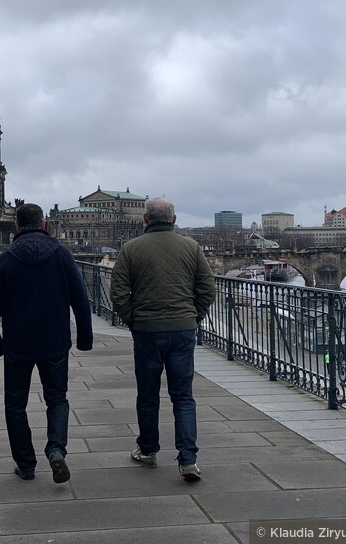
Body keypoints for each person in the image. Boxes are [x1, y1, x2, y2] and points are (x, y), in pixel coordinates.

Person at [0, 203, 93, 484]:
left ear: (16, 226)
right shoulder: (61, 255)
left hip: (17, 344)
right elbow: (80, 300)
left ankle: (26, 464)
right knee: (57, 399)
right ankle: (56, 449)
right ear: (44, 224)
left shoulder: (5, 259)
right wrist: (84, 338)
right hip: (54, 342)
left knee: (15, 404)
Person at [110, 196, 215, 483]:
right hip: (182, 330)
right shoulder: (192, 248)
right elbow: (208, 289)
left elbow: (118, 292)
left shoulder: (130, 249)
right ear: (174, 219)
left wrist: (134, 320)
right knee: (183, 396)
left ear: (145, 220)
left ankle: (148, 450)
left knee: (147, 395)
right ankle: (188, 460)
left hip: (146, 330)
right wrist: (194, 317)